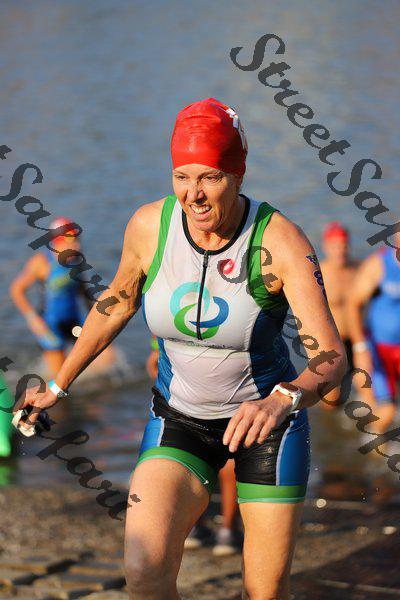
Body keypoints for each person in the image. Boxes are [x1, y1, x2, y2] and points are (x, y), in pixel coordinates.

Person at [14, 97, 346, 600]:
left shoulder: (279, 240)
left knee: (264, 591)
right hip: (179, 420)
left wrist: (282, 400)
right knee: (144, 573)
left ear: (238, 173)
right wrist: (58, 386)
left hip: (266, 429)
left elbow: (331, 358)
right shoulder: (151, 226)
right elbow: (116, 304)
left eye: (210, 176)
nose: (194, 194)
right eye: (182, 176)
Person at [146, 335, 241, 555]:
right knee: (232, 447)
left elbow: (167, 321)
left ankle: (194, 527)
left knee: (189, 442)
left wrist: (156, 348)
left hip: (183, 368)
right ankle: (228, 531)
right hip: (231, 367)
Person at [10, 217, 116, 378]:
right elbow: (17, 290)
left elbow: (82, 288)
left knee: (107, 358)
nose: (77, 245)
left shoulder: (77, 259)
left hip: (75, 319)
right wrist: (32, 319)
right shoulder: (41, 262)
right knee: (59, 378)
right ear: (57, 242)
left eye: (77, 240)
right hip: (50, 326)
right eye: (71, 241)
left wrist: (95, 316)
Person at [347, 239, 400, 434]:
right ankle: (375, 444)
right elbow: (353, 304)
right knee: (386, 412)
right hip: (379, 348)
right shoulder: (379, 263)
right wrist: (360, 348)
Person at [319, 222, 374, 409]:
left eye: (343, 245)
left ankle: (374, 424)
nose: (340, 251)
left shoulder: (360, 269)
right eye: (335, 246)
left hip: (359, 339)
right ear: (326, 247)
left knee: (369, 390)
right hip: (333, 342)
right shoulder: (319, 274)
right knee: (331, 401)